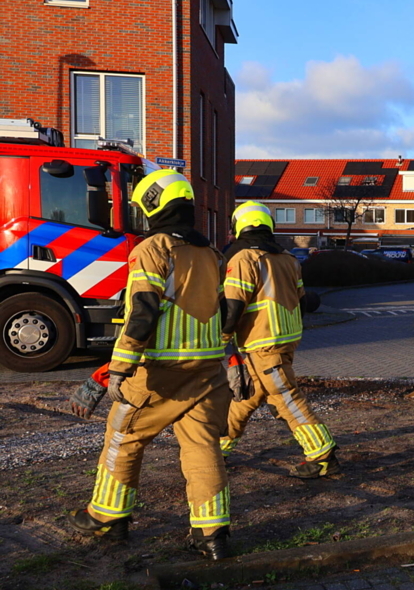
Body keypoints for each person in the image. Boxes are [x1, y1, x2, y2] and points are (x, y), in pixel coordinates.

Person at [68, 170, 236, 559]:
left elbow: (142, 313)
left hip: (159, 371)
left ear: (154, 206)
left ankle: (108, 518)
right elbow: (224, 311)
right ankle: (212, 535)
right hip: (207, 371)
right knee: (201, 445)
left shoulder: (152, 249)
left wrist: (120, 367)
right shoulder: (213, 253)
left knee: (123, 435)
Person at [219, 201, 340, 479]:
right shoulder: (288, 259)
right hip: (284, 340)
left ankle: (322, 455)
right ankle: (219, 448)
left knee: (287, 399)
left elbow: (233, 307)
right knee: (245, 398)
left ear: (239, 226)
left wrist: (221, 340)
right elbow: (302, 302)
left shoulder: (243, 260)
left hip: (261, 344)